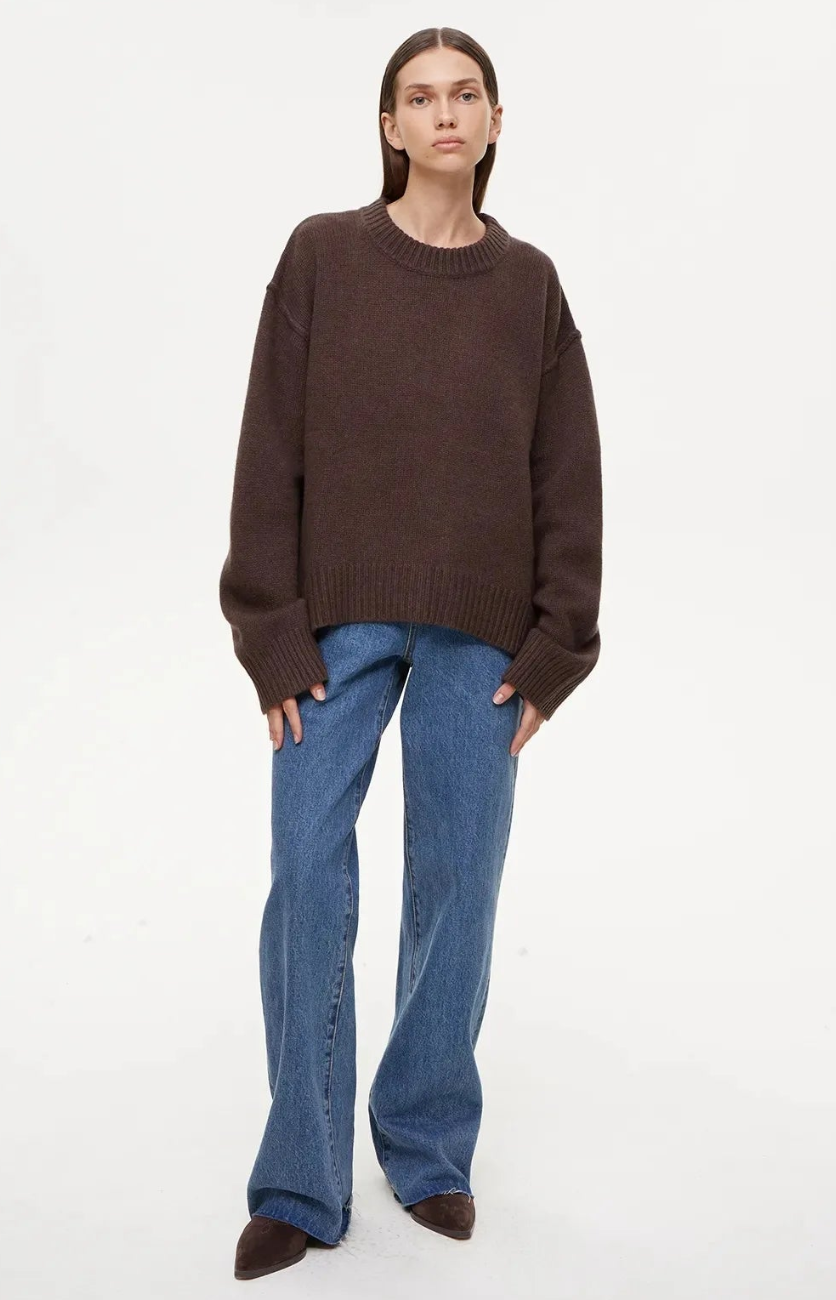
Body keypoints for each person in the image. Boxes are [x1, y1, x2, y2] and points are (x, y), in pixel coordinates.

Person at [219, 26, 604, 1282]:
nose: (444, 112)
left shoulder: (529, 285)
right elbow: (268, 444)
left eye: (465, 94)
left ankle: (427, 1142)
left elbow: (566, 473)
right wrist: (268, 627)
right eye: (420, 97)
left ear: (493, 122)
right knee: (305, 873)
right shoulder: (322, 256)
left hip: (481, 636)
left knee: (458, 882)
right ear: (388, 126)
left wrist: (556, 648)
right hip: (332, 622)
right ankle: (301, 1176)